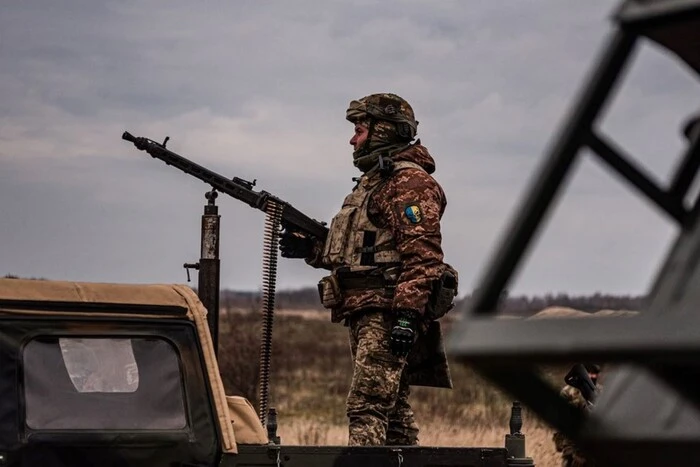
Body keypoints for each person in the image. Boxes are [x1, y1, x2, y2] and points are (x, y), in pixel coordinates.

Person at [279, 93, 457, 446]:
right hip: (365, 310)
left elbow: (423, 257)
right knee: (393, 416)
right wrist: (311, 249)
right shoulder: (375, 182)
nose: (352, 139)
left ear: (383, 132)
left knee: (367, 408)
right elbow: (358, 249)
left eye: (359, 130)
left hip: (387, 313)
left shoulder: (409, 184)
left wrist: (406, 316)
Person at [553, 363, 602, 467]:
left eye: (595, 373)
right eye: (590, 373)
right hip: (571, 445)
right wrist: (562, 444)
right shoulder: (568, 392)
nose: (593, 376)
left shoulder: (601, 392)